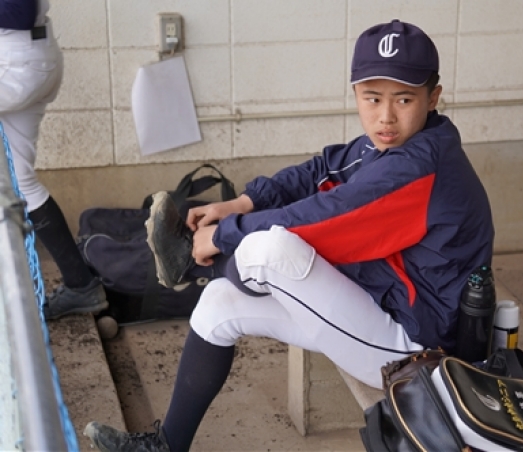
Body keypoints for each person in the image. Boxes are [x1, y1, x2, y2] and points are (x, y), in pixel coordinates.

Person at [84, 19, 495, 451]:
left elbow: (325, 218)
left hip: (420, 348)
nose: (385, 115)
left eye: (404, 99)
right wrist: (241, 204)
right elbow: (320, 170)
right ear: (356, 93)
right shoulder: (392, 142)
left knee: (269, 249)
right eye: (372, 98)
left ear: (433, 97)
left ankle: (191, 260)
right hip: (387, 302)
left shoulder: (421, 164)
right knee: (218, 305)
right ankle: (167, 445)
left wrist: (223, 237)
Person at [0, 0, 107, 319]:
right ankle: (81, 284)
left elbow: (19, 12)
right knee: (21, 180)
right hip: (27, 57)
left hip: (17, 64)